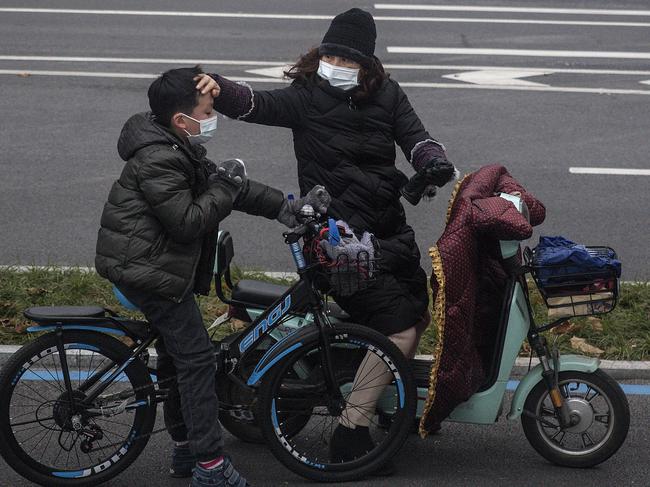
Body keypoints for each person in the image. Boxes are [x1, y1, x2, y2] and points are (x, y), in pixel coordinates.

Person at [197, 7, 458, 467]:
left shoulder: (390, 96)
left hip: (389, 234)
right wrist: (216, 86)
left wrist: (432, 164)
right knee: (398, 328)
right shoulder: (306, 98)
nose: (336, 65)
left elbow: (418, 140)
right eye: (330, 55)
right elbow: (255, 103)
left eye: (347, 60)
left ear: (367, 65)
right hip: (338, 244)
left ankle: (382, 400)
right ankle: (352, 430)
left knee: (416, 313)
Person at [95, 66, 330, 487]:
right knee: (197, 362)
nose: (213, 115)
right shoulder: (159, 158)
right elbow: (188, 220)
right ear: (181, 120)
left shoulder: (172, 142)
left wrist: (284, 207)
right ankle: (210, 467)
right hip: (148, 273)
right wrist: (226, 183)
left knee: (176, 357)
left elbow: (226, 186)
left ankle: (185, 450)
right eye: (207, 108)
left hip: (152, 263)